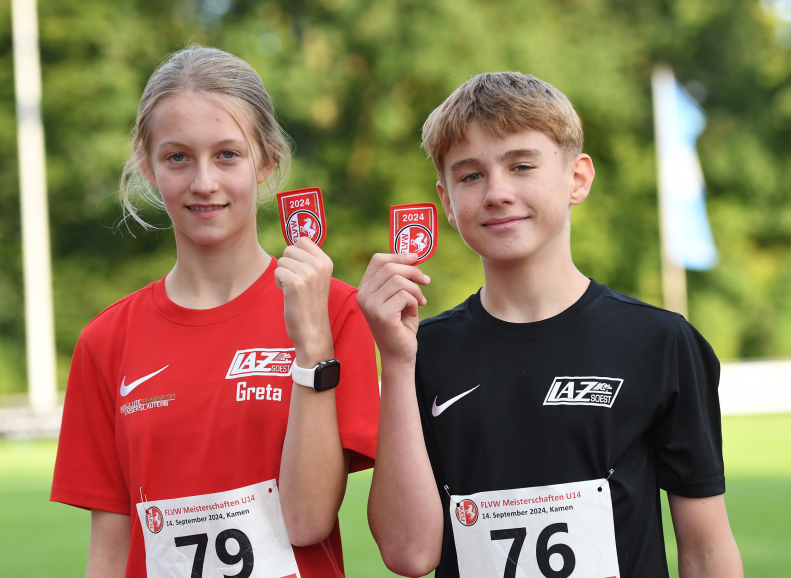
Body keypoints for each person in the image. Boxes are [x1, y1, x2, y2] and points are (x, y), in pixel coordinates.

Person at [358, 72, 743, 578]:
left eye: (521, 166)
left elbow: (706, 550)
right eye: (470, 175)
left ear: (577, 179)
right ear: (447, 201)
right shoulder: (419, 350)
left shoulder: (661, 342)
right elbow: (408, 555)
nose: (496, 192)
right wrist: (397, 361)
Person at [50, 46, 379, 578]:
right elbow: (109, 551)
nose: (204, 182)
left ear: (266, 161)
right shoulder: (105, 341)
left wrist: (312, 346)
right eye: (178, 157)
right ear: (148, 167)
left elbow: (306, 520)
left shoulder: (335, 310)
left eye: (228, 155)